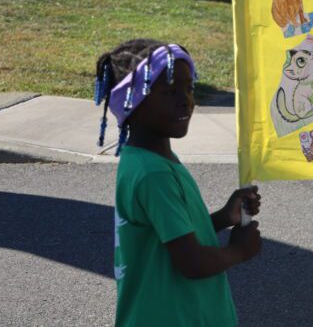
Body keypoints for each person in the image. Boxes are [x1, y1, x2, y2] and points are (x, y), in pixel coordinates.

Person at [94, 39, 263, 326]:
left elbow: (172, 238)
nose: (185, 99)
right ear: (134, 100)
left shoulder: (149, 160)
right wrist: (239, 251)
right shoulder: (154, 174)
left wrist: (224, 217)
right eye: (170, 91)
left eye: (189, 88)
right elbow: (191, 263)